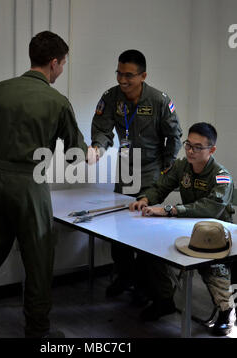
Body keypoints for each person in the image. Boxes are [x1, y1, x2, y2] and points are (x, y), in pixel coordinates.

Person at [0, 31, 93, 338]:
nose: (61, 70)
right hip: (30, 187)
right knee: (38, 264)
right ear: (54, 62)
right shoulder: (57, 101)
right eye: (62, 65)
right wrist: (93, 154)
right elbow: (76, 154)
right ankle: (38, 332)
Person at [129, 122, 236, 336]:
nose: (190, 151)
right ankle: (164, 299)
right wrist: (146, 198)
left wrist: (169, 210)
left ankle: (227, 313)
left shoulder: (221, 175)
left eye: (198, 147)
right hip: (185, 227)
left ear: (211, 150)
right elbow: (162, 186)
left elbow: (211, 208)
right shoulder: (181, 166)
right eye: (188, 144)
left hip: (215, 235)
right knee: (149, 251)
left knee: (210, 266)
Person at [91, 49, 182, 298]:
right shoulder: (111, 97)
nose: (122, 80)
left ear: (143, 76)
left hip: (152, 171)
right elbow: (102, 128)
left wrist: (166, 168)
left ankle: (148, 288)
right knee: (120, 229)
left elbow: (174, 135)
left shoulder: (159, 100)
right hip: (125, 170)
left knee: (145, 232)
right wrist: (98, 148)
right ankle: (125, 277)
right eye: (119, 73)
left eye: (129, 75)